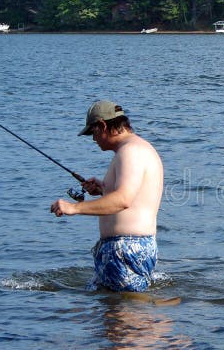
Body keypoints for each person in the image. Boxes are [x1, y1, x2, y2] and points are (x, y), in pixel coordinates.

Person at [50, 100, 164, 292]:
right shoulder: (135, 149)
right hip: (126, 247)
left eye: (92, 132)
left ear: (102, 125)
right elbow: (134, 197)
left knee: (126, 309)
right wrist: (105, 190)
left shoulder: (131, 152)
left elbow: (123, 200)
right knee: (112, 307)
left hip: (125, 249)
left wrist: (73, 208)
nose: (93, 139)